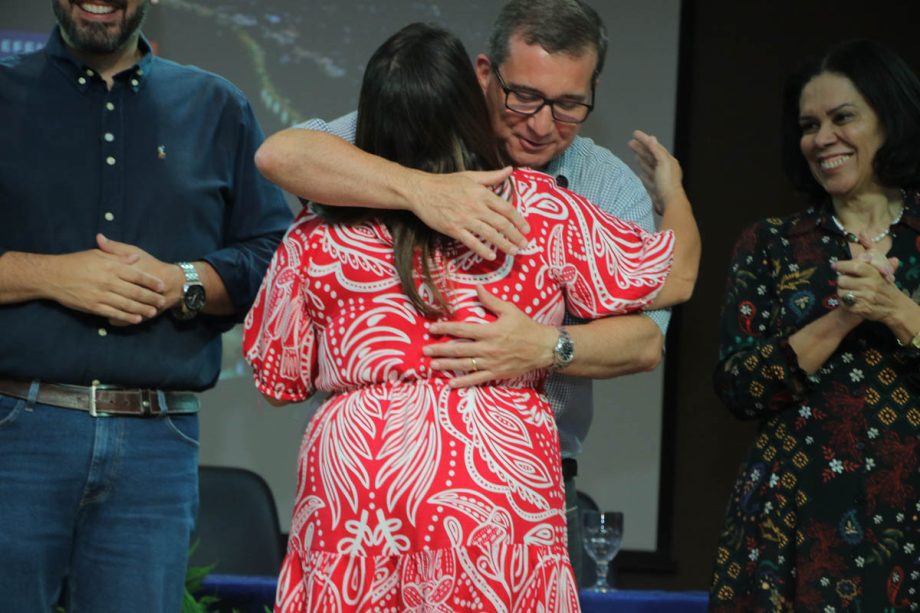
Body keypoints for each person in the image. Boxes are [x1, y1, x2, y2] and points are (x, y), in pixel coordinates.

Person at [244, 22, 698, 613]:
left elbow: (276, 381)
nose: (541, 122)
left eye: (566, 104)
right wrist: (674, 193)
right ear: (477, 96)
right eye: (526, 97)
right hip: (494, 485)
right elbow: (676, 275)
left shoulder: (317, 230)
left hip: (356, 488)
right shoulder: (541, 209)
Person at [0, 1, 292, 611]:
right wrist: (52, 276)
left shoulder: (217, 107)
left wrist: (180, 281)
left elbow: (274, 256)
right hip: (17, 432)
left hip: (156, 447)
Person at [710, 39, 920, 611]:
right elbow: (739, 387)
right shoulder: (772, 243)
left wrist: (896, 309)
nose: (822, 138)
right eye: (809, 125)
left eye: (842, 117)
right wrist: (844, 316)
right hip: (793, 523)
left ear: (889, 119)